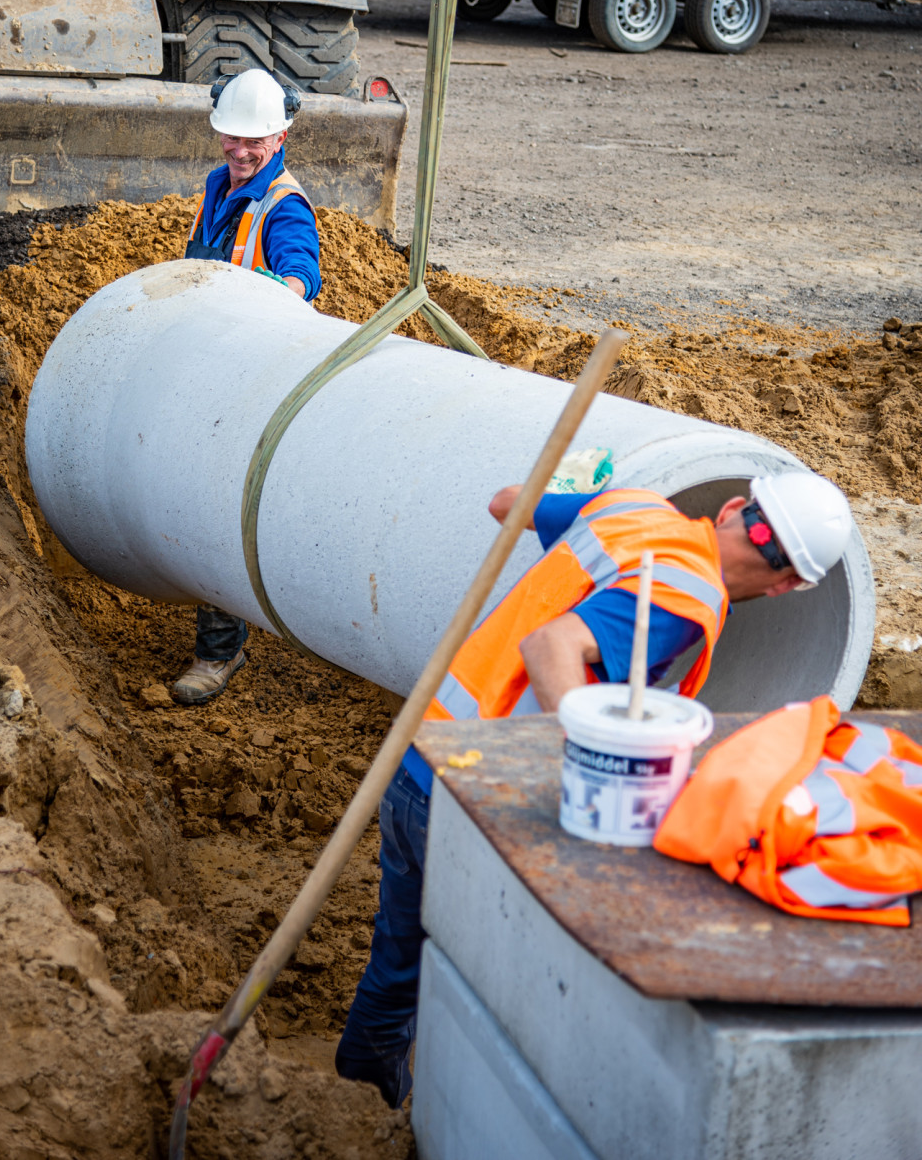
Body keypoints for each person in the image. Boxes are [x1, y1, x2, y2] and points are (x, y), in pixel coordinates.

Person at [334, 464, 853, 1107]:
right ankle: (408, 1107)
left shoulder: (630, 508)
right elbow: (550, 646)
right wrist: (602, 763)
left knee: (401, 957)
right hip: (476, 791)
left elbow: (504, 503)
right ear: (789, 586)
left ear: (731, 510)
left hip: (422, 756)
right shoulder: (682, 596)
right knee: (484, 977)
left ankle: (355, 1096)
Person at [172, 68, 321, 705]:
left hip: (252, 370)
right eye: (230, 139)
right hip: (207, 360)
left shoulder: (283, 205)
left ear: (281, 136)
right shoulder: (218, 184)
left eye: (252, 143)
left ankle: (219, 651)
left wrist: (271, 306)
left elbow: (301, 276)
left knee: (215, 506)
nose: (239, 153)